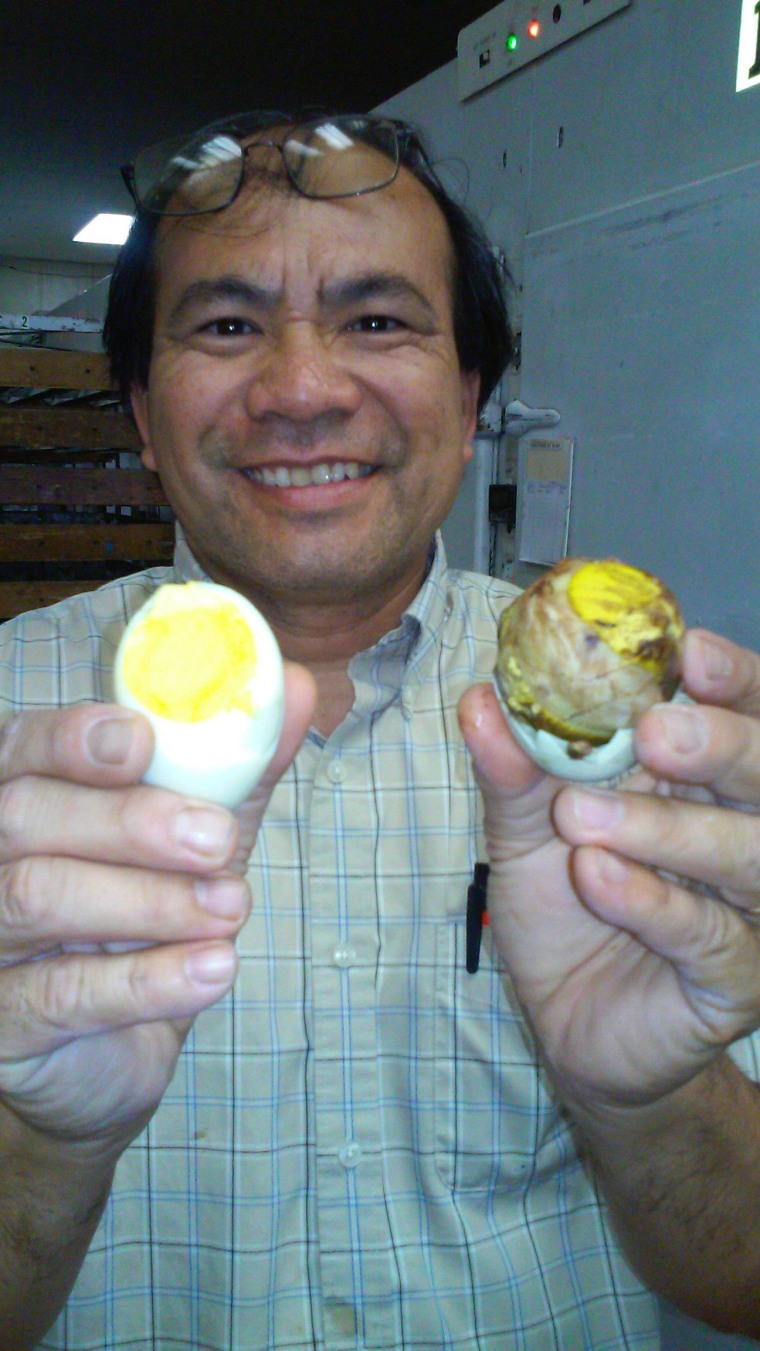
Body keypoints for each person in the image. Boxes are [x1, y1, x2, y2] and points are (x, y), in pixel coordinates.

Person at [0, 109, 759, 1351]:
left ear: (468, 402)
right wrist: (38, 1140)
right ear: (142, 410)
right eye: (229, 324)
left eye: (377, 319)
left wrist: (654, 1097)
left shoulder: (646, 751)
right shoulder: (12, 758)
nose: (302, 390)